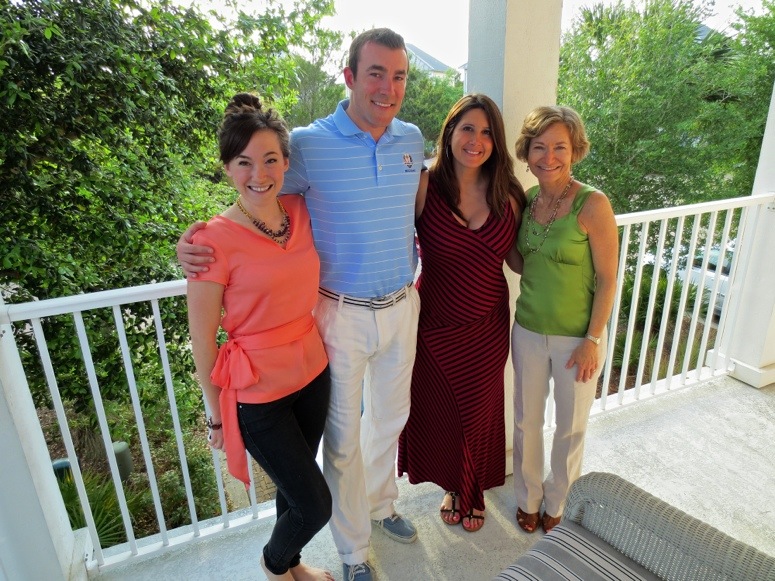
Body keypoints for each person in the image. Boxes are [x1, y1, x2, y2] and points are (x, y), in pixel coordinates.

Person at [178, 29, 424, 581]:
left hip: (400, 303)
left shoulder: (410, 138)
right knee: (342, 442)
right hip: (340, 313)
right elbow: (254, 189)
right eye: (376, 73)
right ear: (350, 77)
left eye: (399, 76)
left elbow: (272, 201)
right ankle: (353, 552)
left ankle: (381, 504)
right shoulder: (310, 144)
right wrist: (193, 245)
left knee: (390, 419)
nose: (387, 87)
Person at [186, 93, 333, 581]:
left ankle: (293, 564)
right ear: (228, 168)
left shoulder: (302, 209)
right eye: (244, 162)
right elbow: (202, 341)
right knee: (316, 505)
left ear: (286, 162)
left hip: (312, 374)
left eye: (270, 159)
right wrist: (216, 416)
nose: (259, 173)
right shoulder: (210, 241)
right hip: (258, 395)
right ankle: (274, 566)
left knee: (294, 493)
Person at [396, 94, 525, 532]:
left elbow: (518, 260)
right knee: (443, 411)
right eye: (468, 128)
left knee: (478, 412)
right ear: (449, 132)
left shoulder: (508, 193)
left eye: (487, 132)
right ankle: (454, 486)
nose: (476, 140)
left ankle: (472, 491)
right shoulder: (424, 185)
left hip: (487, 324)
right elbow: (390, 235)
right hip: (433, 322)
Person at [510, 105, 618, 534]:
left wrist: (593, 338)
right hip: (528, 329)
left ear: (574, 151)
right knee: (526, 422)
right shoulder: (528, 199)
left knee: (570, 427)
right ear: (528, 152)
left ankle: (558, 502)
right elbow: (523, 262)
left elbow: (608, 278)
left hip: (577, 338)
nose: (549, 156)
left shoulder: (593, 204)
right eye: (539, 147)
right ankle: (528, 498)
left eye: (560, 147)